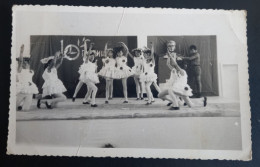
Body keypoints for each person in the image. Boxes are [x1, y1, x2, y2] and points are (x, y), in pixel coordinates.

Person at [16, 44, 39, 111]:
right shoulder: (20, 70)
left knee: (26, 109)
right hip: (22, 90)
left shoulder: (31, 71)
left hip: (29, 90)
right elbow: (20, 61)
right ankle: (19, 104)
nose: (25, 64)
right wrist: (21, 52)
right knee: (13, 107)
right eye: (24, 63)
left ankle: (22, 105)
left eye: (27, 63)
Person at [80, 42, 99, 107]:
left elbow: (94, 72)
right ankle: (93, 103)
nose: (92, 57)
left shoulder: (93, 64)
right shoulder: (86, 61)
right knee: (95, 89)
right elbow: (87, 56)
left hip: (91, 79)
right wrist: (90, 48)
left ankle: (84, 101)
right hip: (87, 78)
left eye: (93, 56)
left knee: (90, 90)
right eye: (91, 56)